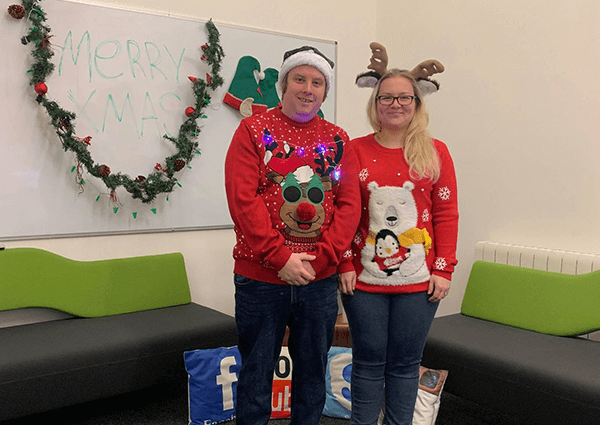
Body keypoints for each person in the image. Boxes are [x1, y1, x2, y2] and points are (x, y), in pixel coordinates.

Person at [224, 46, 360, 425]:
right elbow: (242, 198)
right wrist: (280, 257)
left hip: (319, 278)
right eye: (299, 79)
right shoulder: (253, 129)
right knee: (256, 373)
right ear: (284, 84)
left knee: (313, 373)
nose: (308, 88)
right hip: (261, 277)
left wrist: (328, 256)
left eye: (317, 82)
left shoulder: (338, 139)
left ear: (325, 91)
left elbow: (349, 205)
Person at [338, 68, 459, 425]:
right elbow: (341, 211)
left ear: (416, 103)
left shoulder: (436, 152)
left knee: (406, 365)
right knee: (368, 361)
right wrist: (344, 262)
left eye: (404, 97)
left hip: (420, 281)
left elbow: (446, 213)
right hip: (363, 279)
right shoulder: (354, 150)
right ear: (375, 104)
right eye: (386, 97)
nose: (395, 104)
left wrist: (444, 268)